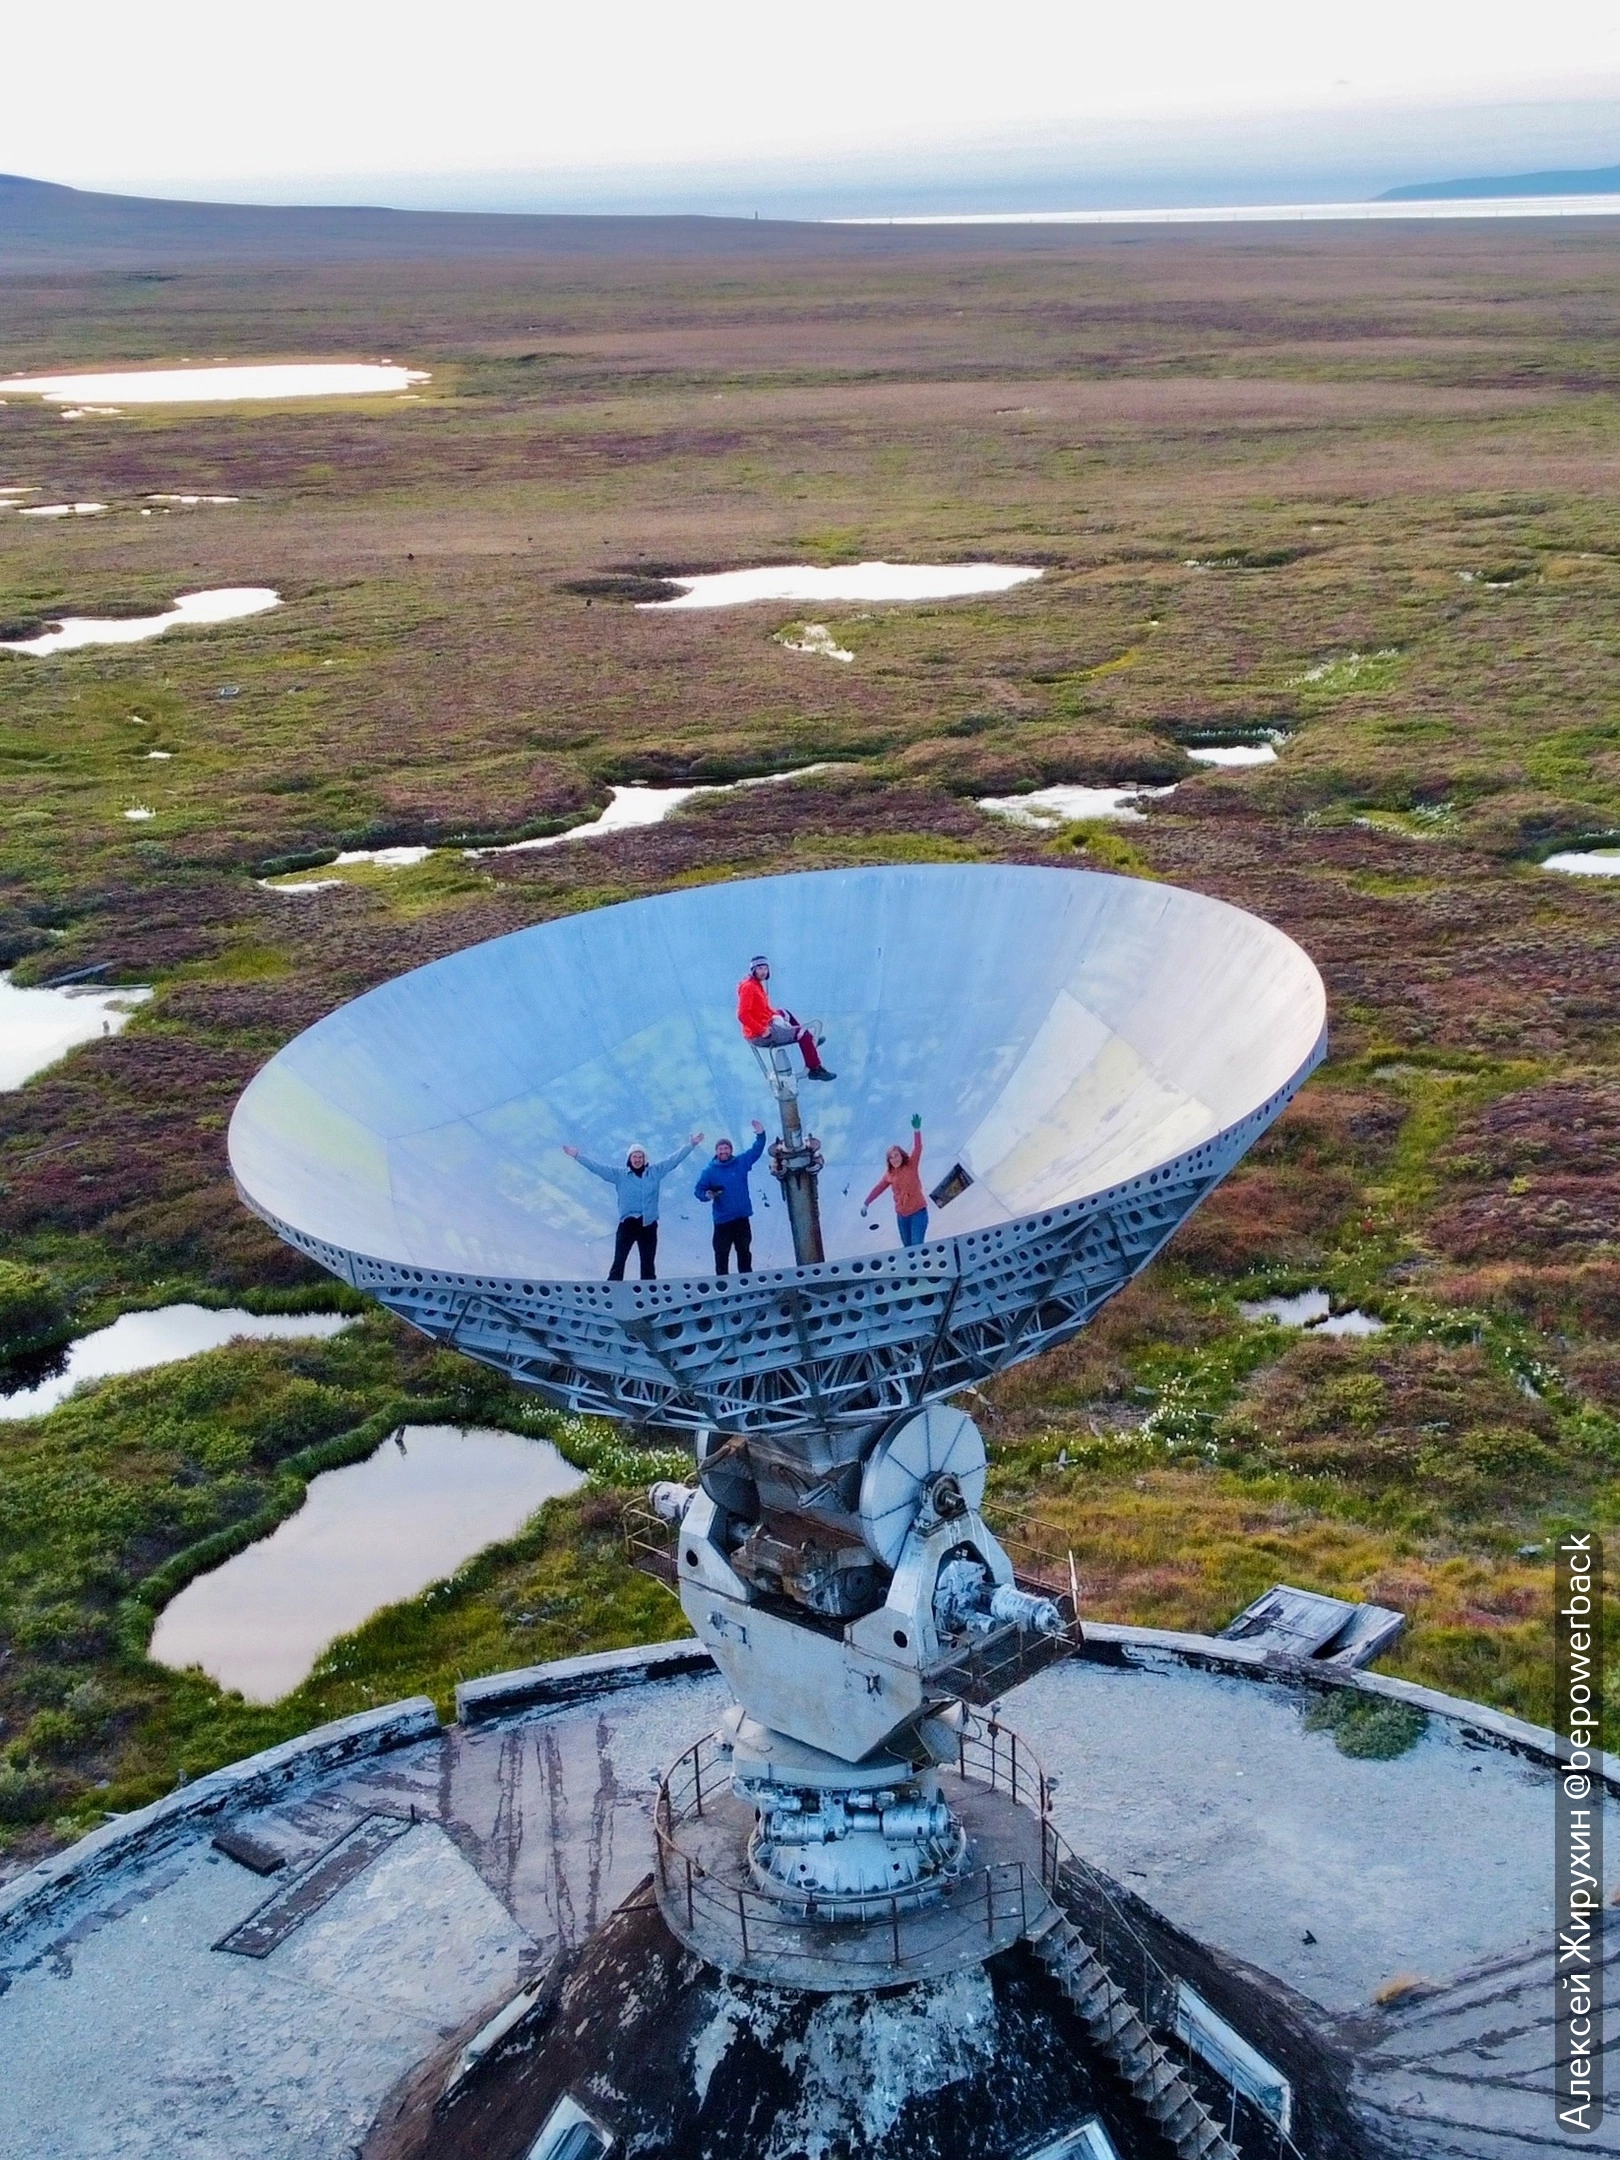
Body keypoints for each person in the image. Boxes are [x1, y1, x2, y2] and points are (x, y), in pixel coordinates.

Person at [563, 1134, 702, 1281]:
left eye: (640, 1157)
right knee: (619, 1262)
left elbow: (673, 1161)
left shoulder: (655, 1172)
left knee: (648, 1264)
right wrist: (577, 1156)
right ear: (630, 1159)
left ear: (645, 1159)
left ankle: (650, 1294)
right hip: (628, 1224)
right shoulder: (619, 1175)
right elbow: (597, 1168)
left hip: (648, 1224)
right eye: (634, 1157)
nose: (637, 1160)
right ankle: (611, 1293)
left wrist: (691, 1144)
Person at [737, 955, 835, 1081]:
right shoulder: (749, 987)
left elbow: (763, 1009)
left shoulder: (755, 984)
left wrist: (775, 1015)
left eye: (765, 968)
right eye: (760, 968)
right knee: (802, 1034)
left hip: (764, 1023)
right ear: (753, 970)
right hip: (759, 1034)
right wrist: (762, 1030)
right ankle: (815, 1069)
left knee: (784, 1012)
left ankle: (809, 1042)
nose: (763, 972)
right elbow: (742, 1015)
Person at [694, 1121, 768, 1274]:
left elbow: (756, 1150)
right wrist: (706, 1195)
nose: (723, 1151)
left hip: (741, 1218)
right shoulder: (709, 1171)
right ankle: (723, 1287)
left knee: (744, 1253)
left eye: (726, 1148)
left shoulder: (740, 1163)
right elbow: (698, 1190)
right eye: (720, 1149)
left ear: (730, 1150)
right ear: (716, 1151)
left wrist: (761, 1134)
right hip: (722, 1221)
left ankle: (747, 1282)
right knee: (721, 1256)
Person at [862, 1115, 928, 1248]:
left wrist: (917, 1130)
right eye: (891, 1158)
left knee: (917, 1246)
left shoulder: (911, 1164)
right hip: (902, 1216)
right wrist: (866, 1203)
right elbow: (879, 1188)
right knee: (908, 1248)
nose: (894, 1159)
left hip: (918, 1212)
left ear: (901, 1156)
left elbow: (918, 1147)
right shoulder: (890, 1174)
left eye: (896, 1156)